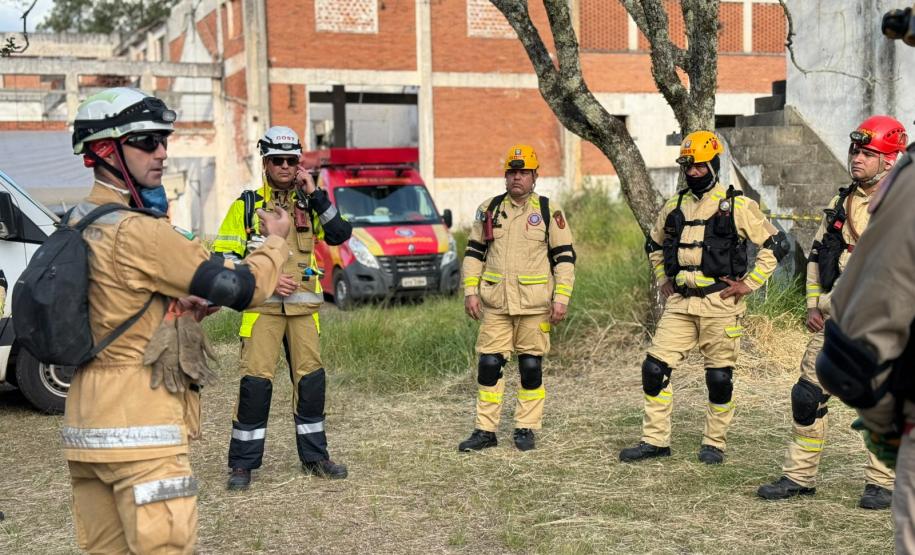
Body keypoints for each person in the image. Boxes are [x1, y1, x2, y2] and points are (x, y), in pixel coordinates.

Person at [64, 87, 290, 553]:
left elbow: (114, 306)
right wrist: (275, 243)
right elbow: (241, 289)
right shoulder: (141, 231)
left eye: (163, 140)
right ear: (105, 149)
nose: (163, 152)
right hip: (142, 432)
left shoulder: (77, 223)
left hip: (86, 430)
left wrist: (177, 306)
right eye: (147, 141)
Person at [758, 116, 907, 508]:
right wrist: (813, 304)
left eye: (867, 153)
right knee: (807, 396)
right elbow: (817, 255)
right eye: (855, 150)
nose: (856, 158)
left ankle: (883, 484)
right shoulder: (841, 202)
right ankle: (799, 477)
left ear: (890, 160)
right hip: (835, 322)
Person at [618, 130, 788, 465]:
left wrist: (750, 283)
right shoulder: (673, 206)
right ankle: (655, 441)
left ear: (713, 165)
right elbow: (653, 244)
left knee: (719, 377)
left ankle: (714, 443)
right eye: (688, 166)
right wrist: (662, 278)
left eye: (699, 166)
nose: (693, 172)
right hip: (680, 304)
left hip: (720, 305)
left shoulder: (737, 205)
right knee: (653, 368)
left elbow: (776, 244)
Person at [213, 126, 352, 489]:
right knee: (256, 386)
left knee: (311, 384)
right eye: (278, 160)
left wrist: (316, 194)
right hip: (261, 310)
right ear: (266, 163)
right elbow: (222, 260)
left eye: (292, 160)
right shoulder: (246, 206)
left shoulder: (310, 204)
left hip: (303, 313)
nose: (286, 167)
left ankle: (315, 458)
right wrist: (266, 280)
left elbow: (340, 234)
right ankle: (242, 465)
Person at [458, 144, 576, 452]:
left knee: (530, 367)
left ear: (535, 176)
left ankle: (526, 427)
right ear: (505, 175)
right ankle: (485, 430)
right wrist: (470, 291)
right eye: (512, 172)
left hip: (535, 306)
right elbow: (473, 254)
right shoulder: (489, 209)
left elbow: (564, 259)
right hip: (496, 305)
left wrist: (561, 297)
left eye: (524, 172)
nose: (517, 177)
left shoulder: (549, 211)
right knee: (489, 364)